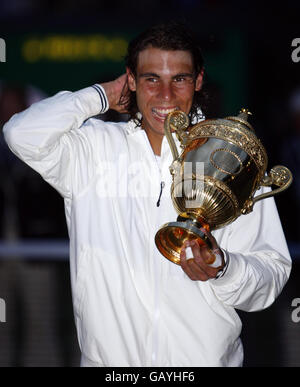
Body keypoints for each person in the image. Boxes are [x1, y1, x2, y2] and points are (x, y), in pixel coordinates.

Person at [3, 22, 291, 367]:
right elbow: (20, 133)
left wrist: (224, 268)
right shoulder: (92, 148)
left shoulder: (234, 160)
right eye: (152, 78)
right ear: (132, 80)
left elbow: (271, 275)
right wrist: (101, 95)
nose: (165, 95)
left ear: (198, 81)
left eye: (179, 79)